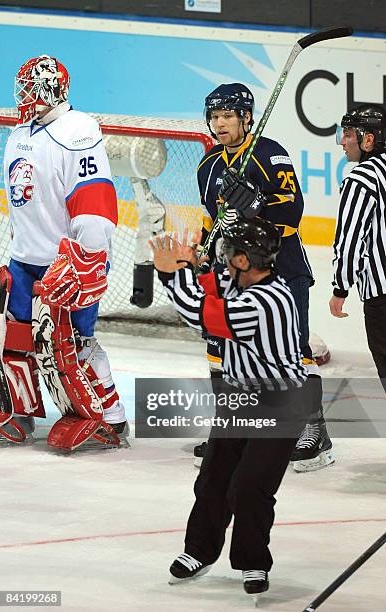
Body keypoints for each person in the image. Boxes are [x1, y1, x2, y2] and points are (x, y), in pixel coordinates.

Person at [149, 217, 309, 600]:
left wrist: (172, 275)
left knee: (250, 487)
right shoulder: (242, 281)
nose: (223, 256)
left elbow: (202, 316)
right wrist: (187, 268)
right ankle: (199, 550)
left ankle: (253, 560)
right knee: (214, 480)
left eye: (229, 251)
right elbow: (208, 288)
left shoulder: (266, 301)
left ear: (243, 260)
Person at [194, 82, 333, 472]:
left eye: (226, 116)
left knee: (292, 349)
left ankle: (313, 429)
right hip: (233, 271)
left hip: (282, 267)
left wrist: (255, 203)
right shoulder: (208, 166)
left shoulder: (270, 155)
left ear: (245, 117)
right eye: (214, 117)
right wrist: (205, 254)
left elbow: (292, 213)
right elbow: (212, 220)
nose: (219, 124)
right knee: (224, 348)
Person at [0, 54, 126, 448]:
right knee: (15, 339)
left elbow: (94, 201)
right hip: (26, 258)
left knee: (73, 342)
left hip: (67, 261)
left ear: (50, 89)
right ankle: (19, 414)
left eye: (29, 87)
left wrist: (87, 259)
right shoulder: (23, 130)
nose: (22, 95)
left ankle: (110, 416)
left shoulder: (78, 131)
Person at [330, 104, 386, 391]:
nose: (342, 140)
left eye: (349, 133)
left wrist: (341, 287)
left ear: (369, 139)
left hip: (382, 296)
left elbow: (350, 239)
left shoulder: (360, 179)